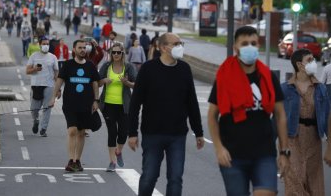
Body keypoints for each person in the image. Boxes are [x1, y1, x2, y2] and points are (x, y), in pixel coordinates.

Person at [207, 26, 289, 196]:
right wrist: (219, 148)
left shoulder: (267, 76)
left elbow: (280, 115)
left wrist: (284, 151)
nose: (250, 47)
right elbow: (212, 116)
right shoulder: (224, 77)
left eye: (253, 43)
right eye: (244, 43)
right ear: (235, 48)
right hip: (233, 155)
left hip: (264, 153)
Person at [128, 33, 204, 196]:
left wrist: (199, 132)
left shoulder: (184, 69)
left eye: (180, 43)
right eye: (175, 43)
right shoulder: (148, 69)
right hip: (152, 133)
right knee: (149, 176)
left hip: (177, 134)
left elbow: (192, 102)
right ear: (162, 47)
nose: (179, 46)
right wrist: (132, 133)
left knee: (176, 178)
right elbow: (135, 104)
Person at [281, 49, 331, 196]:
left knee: (315, 187)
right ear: (299, 65)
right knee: (294, 187)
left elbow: (328, 116)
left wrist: (329, 147)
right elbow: (278, 120)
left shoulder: (320, 88)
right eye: (309, 60)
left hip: (313, 141)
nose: (313, 63)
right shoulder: (285, 88)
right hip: (292, 141)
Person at [52, 39, 101, 172]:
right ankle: (71, 160)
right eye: (80, 47)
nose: (83, 50)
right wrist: (53, 97)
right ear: (74, 50)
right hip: (70, 104)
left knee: (81, 133)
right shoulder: (68, 65)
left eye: (84, 48)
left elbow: (95, 84)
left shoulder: (90, 66)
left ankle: (77, 160)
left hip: (86, 105)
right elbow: (59, 81)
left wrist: (96, 100)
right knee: (72, 131)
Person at [98, 43, 137, 172]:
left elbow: (137, 85)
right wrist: (104, 81)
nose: (115, 55)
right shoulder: (106, 66)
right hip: (108, 105)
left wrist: (127, 83)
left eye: (118, 53)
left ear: (122, 54)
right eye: (113, 52)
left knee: (123, 133)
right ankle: (112, 162)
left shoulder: (129, 67)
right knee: (112, 132)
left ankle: (118, 151)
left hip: (125, 106)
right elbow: (97, 83)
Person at [26, 36, 59, 137]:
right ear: (40, 45)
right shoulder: (34, 56)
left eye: (47, 44)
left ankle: (43, 128)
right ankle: (36, 121)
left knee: (47, 108)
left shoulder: (53, 57)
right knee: (33, 108)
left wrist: (58, 89)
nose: (46, 46)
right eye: (44, 44)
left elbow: (56, 73)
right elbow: (27, 71)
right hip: (36, 85)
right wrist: (35, 69)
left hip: (49, 86)